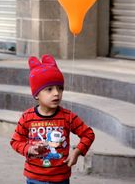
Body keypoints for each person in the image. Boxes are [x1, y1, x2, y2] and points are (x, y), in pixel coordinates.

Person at [10, 54, 95, 184]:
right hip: (34, 178)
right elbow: (15, 141)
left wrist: (76, 152)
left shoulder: (67, 117)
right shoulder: (27, 117)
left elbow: (88, 134)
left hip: (60, 179)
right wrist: (28, 149)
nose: (56, 93)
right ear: (36, 94)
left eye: (60, 88)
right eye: (49, 89)